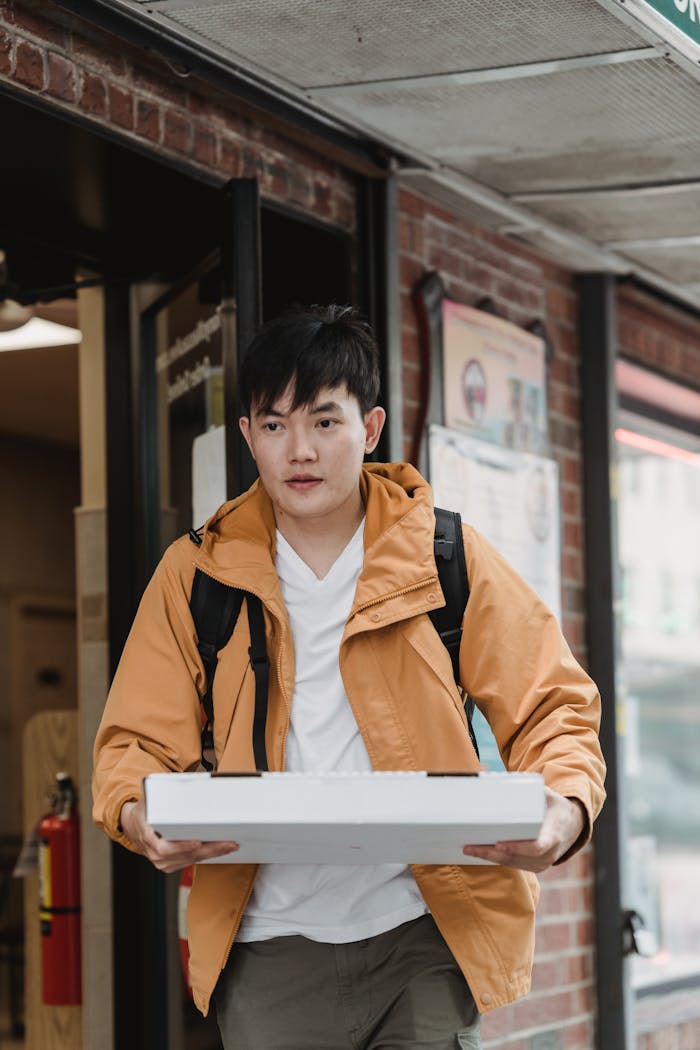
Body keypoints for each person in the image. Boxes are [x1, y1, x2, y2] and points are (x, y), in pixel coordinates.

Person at [93, 304, 606, 1050]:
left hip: (423, 934)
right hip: (268, 950)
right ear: (247, 437)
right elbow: (134, 740)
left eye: (324, 422)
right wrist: (139, 813)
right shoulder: (196, 573)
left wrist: (563, 810)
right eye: (274, 425)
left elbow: (552, 704)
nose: (299, 450)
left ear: (369, 429)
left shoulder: (445, 555)